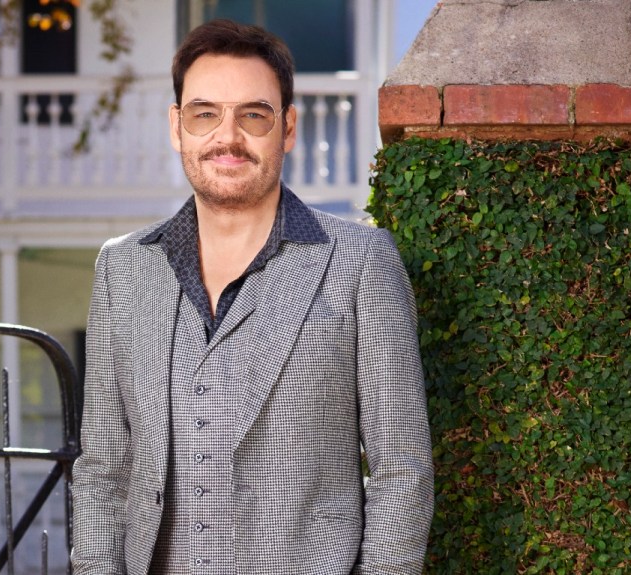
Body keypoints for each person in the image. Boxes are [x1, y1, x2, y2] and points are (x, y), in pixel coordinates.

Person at [71, 19, 433, 575]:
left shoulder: (361, 263)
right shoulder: (123, 269)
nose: (227, 137)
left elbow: (401, 470)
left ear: (287, 127)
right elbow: (103, 469)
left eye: (253, 114)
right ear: (177, 126)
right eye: (204, 113)